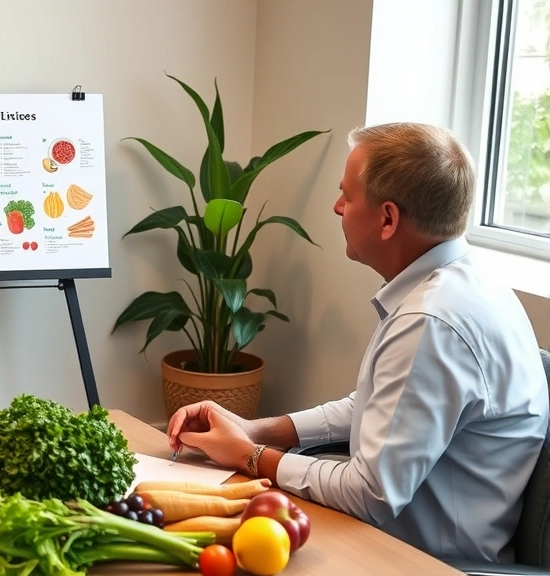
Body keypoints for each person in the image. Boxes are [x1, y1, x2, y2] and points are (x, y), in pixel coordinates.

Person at [166, 122, 549, 564]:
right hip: (402, 536)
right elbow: (377, 406)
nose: (336, 206)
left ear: (388, 219)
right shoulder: (467, 282)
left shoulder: (432, 322)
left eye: (347, 196)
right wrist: (258, 430)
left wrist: (252, 456)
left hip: (417, 560)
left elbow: (371, 494)